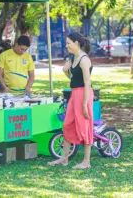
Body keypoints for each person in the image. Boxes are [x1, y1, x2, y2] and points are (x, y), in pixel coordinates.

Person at [48, 32, 93, 169]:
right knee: (67, 124)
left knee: (84, 126)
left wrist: (85, 104)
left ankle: (86, 162)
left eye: (68, 43)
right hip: (74, 94)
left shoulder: (84, 59)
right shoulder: (73, 58)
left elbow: (87, 83)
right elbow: (74, 80)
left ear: (76, 44)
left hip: (83, 95)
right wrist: (66, 71)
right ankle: (64, 158)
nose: (66, 45)